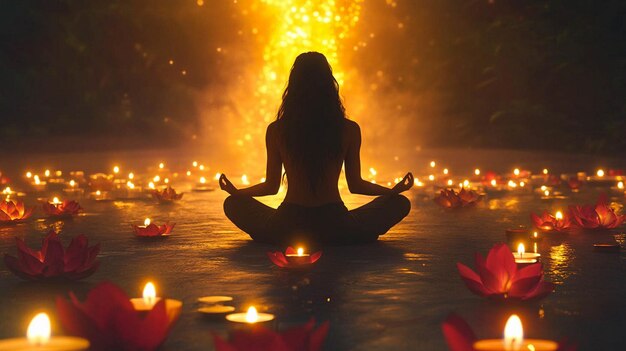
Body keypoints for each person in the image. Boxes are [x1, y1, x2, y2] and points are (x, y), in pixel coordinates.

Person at [219, 52, 413, 246]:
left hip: (288, 223)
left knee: (233, 204)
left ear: (293, 87)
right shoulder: (349, 129)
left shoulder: (277, 130)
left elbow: (271, 186)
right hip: (336, 224)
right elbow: (356, 185)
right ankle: (346, 237)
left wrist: (238, 194)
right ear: (329, 85)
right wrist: (391, 191)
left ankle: (281, 236)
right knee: (399, 202)